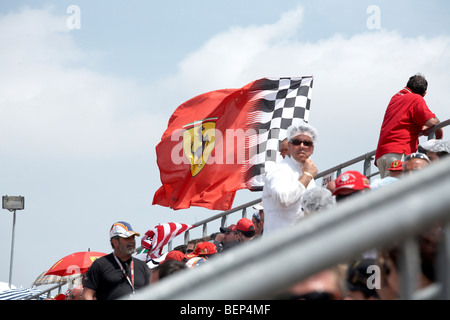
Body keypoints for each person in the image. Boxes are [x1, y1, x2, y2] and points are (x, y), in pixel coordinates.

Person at [375, 73, 443, 178]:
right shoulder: (416, 98)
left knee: (388, 191)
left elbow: (403, 120)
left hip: (382, 154)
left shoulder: (396, 97)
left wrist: (421, 127)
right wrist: (438, 132)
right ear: (424, 93)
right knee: (399, 191)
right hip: (399, 151)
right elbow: (431, 121)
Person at [262, 120, 319, 235]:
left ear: (312, 149)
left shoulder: (307, 174)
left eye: (307, 143)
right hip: (279, 246)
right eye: (297, 142)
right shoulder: (279, 170)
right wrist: (307, 176)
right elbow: (283, 199)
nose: (302, 146)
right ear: (289, 145)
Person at [82, 221, 150, 300]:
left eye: (133, 237)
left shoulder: (143, 266)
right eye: (127, 238)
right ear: (115, 242)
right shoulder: (100, 265)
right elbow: (87, 295)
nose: (132, 241)